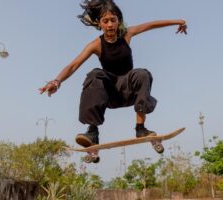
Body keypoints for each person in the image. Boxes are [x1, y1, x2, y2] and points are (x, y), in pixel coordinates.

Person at [39, 0, 187, 147]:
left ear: (118, 21)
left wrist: (178, 21)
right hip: (109, 95)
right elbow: (73, 65)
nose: (110, 25)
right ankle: (92, 132)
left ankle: (140, 129)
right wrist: (56, 81)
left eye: (113, 20)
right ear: (99, 24)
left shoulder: (127, 34)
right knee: (95, 74)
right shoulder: (96, 45)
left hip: (130, 92)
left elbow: (152, 25)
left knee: (142, 73)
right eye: (105, 21)